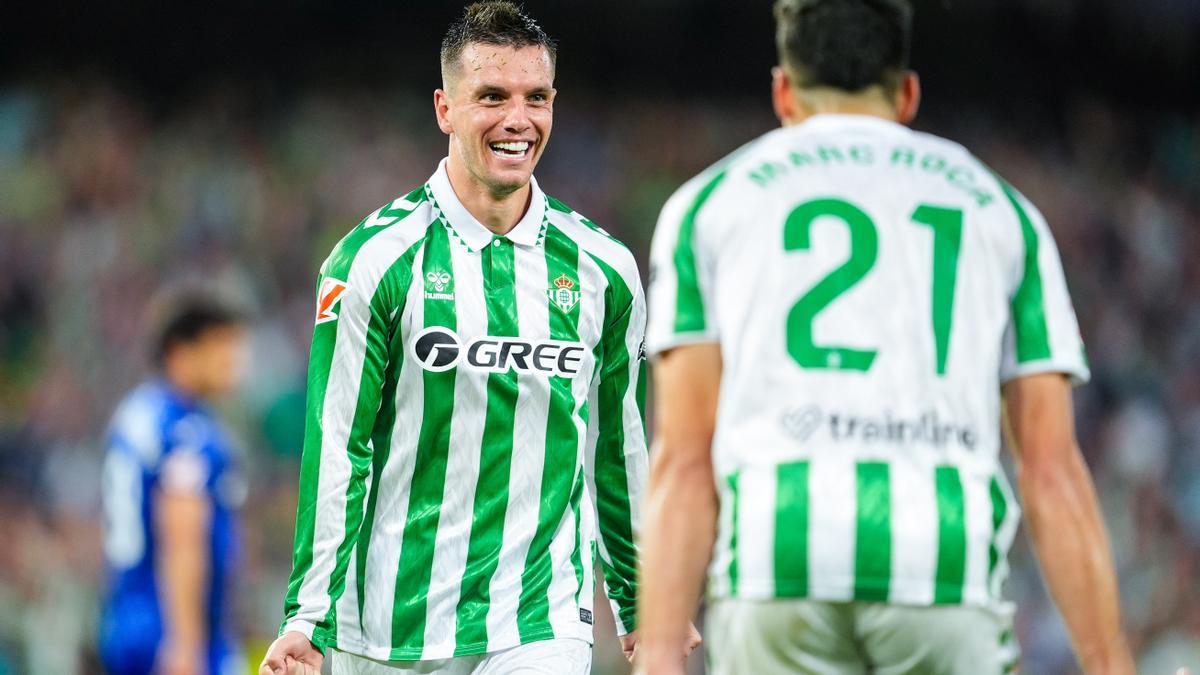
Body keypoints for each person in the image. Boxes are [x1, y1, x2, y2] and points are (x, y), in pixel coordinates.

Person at [635, 1, 1135, 673]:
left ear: (783, 91)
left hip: (774, 565)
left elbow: (683, 461)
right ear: (907, 94)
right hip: (941, 571)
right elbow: (1051, 470)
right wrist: (1111, 665)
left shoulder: (708, 203)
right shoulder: (1002, 210)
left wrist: (660, 653)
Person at [259, 3, 683, 674]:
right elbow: (338, 445)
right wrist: (308, 614)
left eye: (535, 98)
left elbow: (616, 447)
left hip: (540, 615)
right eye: (492, 96)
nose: (518, 119)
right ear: (444, 109)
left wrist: (642, 602)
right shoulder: (373, 261)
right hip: (391, 624)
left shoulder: (604, 269)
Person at [99, 288, 249, 675]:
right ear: (182, 351)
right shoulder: (186, 430)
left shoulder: (138, 413)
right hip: (168, 626)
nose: (233, 359)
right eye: (221, 345)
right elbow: (182, 537)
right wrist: (185, 642)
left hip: (129, 612)